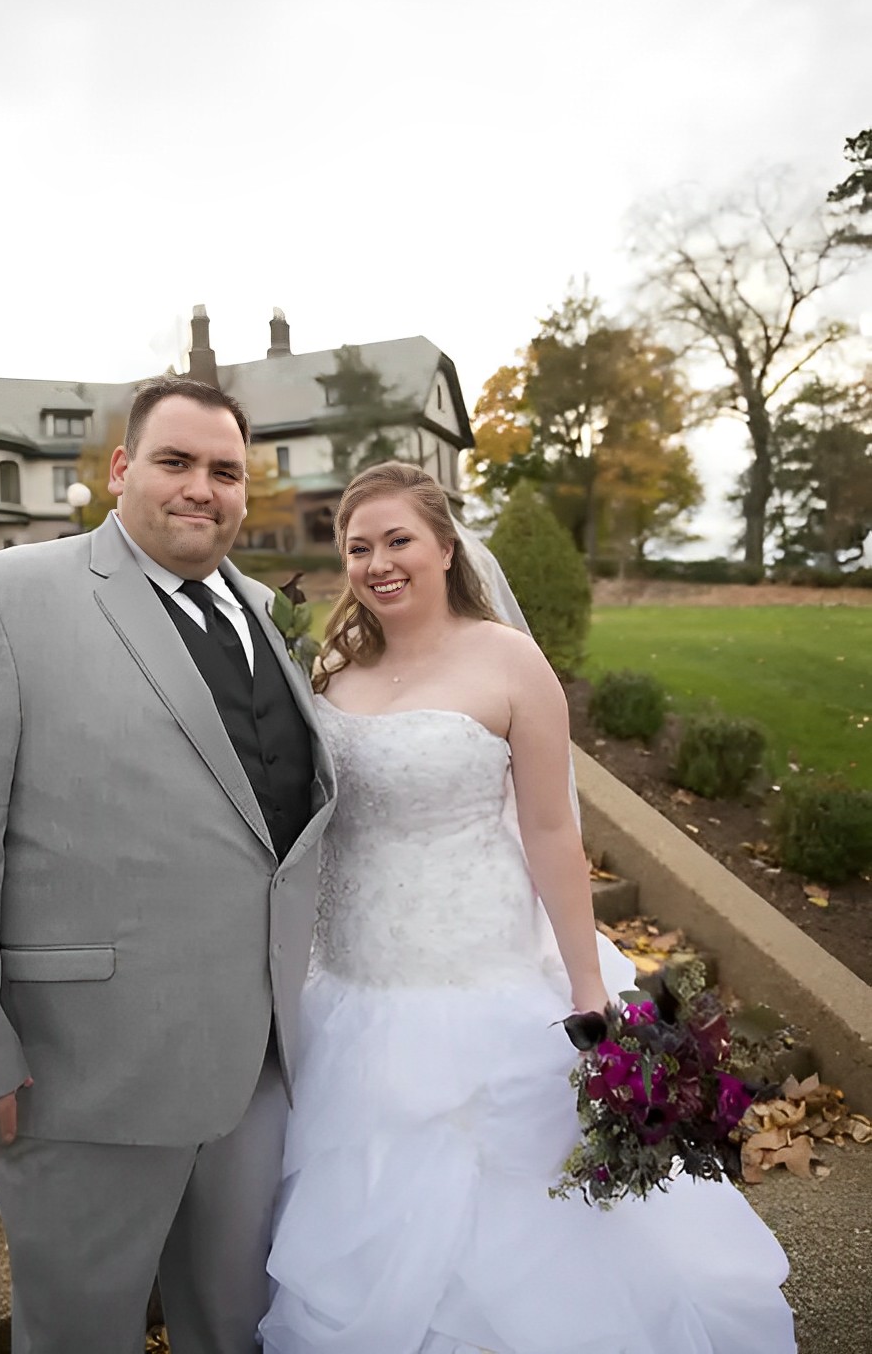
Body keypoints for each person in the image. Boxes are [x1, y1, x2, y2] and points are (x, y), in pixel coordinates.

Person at [259, 461, 796, 1354]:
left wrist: (589, 987)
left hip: (478, 967)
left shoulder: (509, 660)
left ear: (443, 545)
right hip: (350, 971)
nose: (378, 563)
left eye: (399, 541)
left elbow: (551, 830)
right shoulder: (334, 663)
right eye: (358, 548)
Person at [0, 376, 336, 1354]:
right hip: (82, 1069)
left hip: (257, 1063)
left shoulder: (264, 610)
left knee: (236, 1326)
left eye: (225, 470)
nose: (202, 487)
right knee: (78, 1333)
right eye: (176, 461)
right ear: (120, 469)